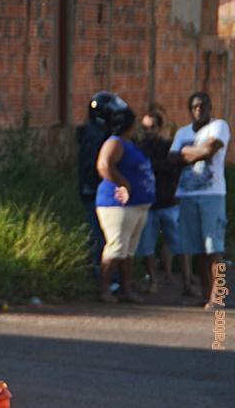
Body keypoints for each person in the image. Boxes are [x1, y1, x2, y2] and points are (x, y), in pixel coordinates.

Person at [168, 92, 230, 309]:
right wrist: (197, 152)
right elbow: (172, 158)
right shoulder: (182, 132)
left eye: (203, 106)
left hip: (212, 194)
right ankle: (206, 293)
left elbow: (209, 151)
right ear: (189, 109)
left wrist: (187, 152)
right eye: (194, 107)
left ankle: (218, 294)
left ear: (210, 107)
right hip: (186, 194)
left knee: (214, 247)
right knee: (197, 249)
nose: (199, 110)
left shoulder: (219, 126)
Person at [95, 95, 156, 303]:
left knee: (129, 250)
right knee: (116, 247)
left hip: (137, 206)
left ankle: (126, 289)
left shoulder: (129, 143)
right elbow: (104, 166)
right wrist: (124, 183)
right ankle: (104, 290)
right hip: (117, 205)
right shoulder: (115, 142)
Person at [134, 111, 181, 293]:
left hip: (168, 200)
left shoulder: (167, 146)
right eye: (145, 128)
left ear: (159, 128)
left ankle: (170, 274)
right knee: (147, 245)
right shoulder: (138, 148)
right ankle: (153, 279)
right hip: (148, 203)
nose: (149, 131)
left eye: (152, 127)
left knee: (174, 241)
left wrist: (154, 165)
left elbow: (172, 166)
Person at [77, 92, 113, 277]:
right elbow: (93, 165)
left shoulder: (94, 131)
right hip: (95, 191)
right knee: (99, 236)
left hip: (93, 190)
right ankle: (100, 278)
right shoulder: (96, 133)